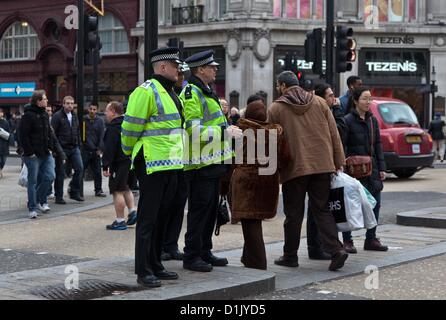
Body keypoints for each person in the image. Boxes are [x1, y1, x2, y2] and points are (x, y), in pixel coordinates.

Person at [267, 71, 348, 271]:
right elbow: (333, 133)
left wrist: (271, 171)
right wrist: (339, 160)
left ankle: (290, 256)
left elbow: (270, 142)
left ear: (283, 86)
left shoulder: (276, 108)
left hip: (294, 168)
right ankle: (336, 250)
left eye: (279, 86)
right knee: (322, 209)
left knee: (293, 214)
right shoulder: (320, 102)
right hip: (322, 165)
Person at [122, 47, 185, 288]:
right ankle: (143, 270)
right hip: (151, 164)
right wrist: (131, 155)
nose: (179, 70)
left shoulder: (171, 93)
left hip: (171, 164)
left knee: (162, 217)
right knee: (148, 219)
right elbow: (129, 129)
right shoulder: (146, 91)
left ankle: (156, 264)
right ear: (162, 67)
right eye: (175, 66)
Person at [179, 49, 242, 272]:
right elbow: (193, 130)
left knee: (209, 210)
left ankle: (204, 251)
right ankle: (192, 256)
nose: (216, 69)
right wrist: (226, 131)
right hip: (199, 164)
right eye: (212, 66)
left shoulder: (206, 91)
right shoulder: (191, 93)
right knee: (199, 211)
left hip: (213, 163)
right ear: (200, 69)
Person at [231, 95, 289, 270]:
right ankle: (247, 257)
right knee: (255, 221)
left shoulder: (241, 129)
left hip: (246, 183)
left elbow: (231, 157)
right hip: (268, 181)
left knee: (250, 223)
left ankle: (258, 263)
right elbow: (286, 157)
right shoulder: (276, 132)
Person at [303, 83, 349, 260]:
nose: (334, 98)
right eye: (330, 95)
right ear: (321, 98)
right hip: (320, 166)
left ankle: (319, 246)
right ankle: (319, 247)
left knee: (317, 207)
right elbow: (338, 134)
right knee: (319, 208)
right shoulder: (324, 111)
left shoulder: (321, 110)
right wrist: (337, 111)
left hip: (321, 165)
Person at [342, 87, 388, 253]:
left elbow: (378, 145)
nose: (368, 102)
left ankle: (371, 238)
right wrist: (343, 166)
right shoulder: (347, 120)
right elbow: (343, 145)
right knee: (351, 205)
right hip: (353, 171)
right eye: (364, 99)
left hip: (372, 169)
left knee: (375, 203)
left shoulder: (372, 120)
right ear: (355, 101)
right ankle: (347, 241)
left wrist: (382, 167)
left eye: (370, 99)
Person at [19, 90, 63, 219]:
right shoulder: (28, 116)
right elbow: (23, 136)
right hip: (32, 155)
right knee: (32, 182)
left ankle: (38, 200)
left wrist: (51, 148)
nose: (47, 101)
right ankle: (32, 208)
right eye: (44, 99)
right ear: (38, 101)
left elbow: (49, 133)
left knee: (50, 176)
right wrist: (30, 152)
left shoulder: (44, 114)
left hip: (45, 152)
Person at [161, 62, 189, 262]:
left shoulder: (183, 95)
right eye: (178, 73)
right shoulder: (165, 94)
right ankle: (161, 246)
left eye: (182, 74)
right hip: (165, 158)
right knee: (165, 206)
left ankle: (171, 244)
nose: (180, 77)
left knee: (178, 205)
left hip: (182, 158)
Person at [102, 101, 137, 231]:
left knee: (117, 191)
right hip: (130, 161)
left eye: (107, 111)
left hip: (119, 163)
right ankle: (133, 212)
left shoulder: (112, 128)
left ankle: (120, 220)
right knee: (126, 187)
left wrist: (105, 166)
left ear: (112, 111)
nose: (106, 114)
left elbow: (109, 148)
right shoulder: (128, 125)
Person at [51, 96, 84, 204]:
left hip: (74, 147)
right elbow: (52, 134)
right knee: (60, 173)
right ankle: (58, 196)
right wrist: (56, 150)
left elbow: (77, 131)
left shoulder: (74, 116)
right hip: (62, 148)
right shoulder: (57, 116)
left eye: (72, 103)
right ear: (63, 104)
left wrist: (78, 145)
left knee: (80, 168)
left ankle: (73, 191)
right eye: (68, 103)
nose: (70, 105)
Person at [82, 103, 106, 197]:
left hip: (96, 151)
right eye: (91, 109)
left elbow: (102, 136)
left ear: (97, 110)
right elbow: (83, 135)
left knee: (97, 172)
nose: (92, 111)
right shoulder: (83, 120)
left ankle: (98, 190)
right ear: (88, 109)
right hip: (86, 150)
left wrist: (100, 148)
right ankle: (77, 189)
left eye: (94, 109)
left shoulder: (100, 121)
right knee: (81, 170)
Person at [0, 108, 10, 179]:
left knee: (3, 160)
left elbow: (9, 133)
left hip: (4, 144)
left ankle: (0, 169)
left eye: (1, 112)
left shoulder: (5, 122)